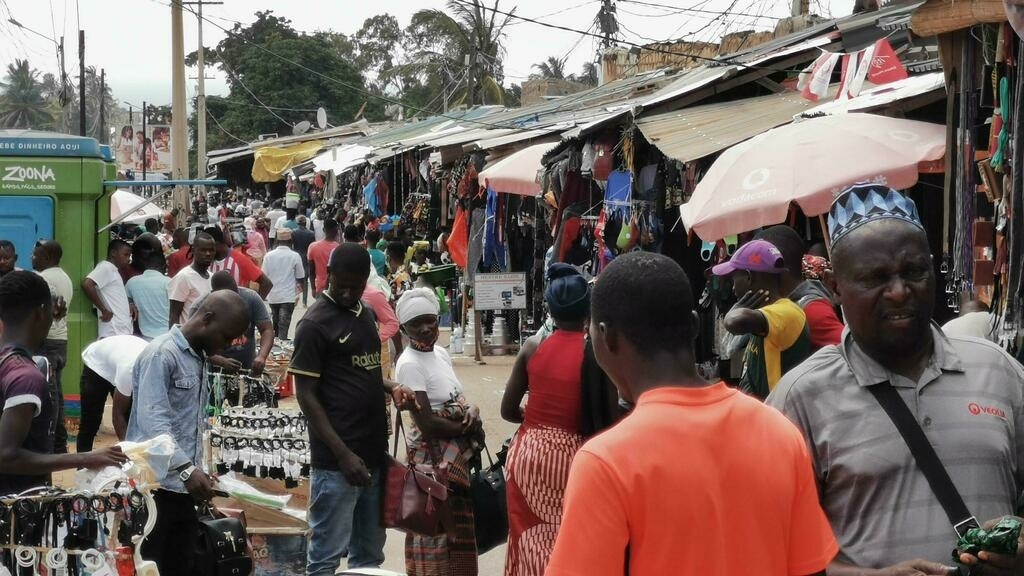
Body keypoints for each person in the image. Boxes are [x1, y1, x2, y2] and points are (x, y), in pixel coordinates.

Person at [768, 183, 1024, 573]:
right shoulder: (801, 398)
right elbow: (772, 549)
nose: (900, 291)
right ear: (836, 287)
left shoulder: (999, 371)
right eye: (875, 278)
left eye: (914, 271)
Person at [546, 252, 838, 576]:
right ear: (696, 326)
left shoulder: (605, 463)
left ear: (606, 336)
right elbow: (812, 569)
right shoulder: (780, 433)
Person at [289, 243, 413, 576]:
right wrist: (343, 455)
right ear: (327, 275)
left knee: (369, 556)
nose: (347, 292)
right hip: (336, 465)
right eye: (341, 284)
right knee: (326, 557)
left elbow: (366, 371)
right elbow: (306, 396)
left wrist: (392, 386)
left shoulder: (366, 315)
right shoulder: (314, 325)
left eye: (355, 287)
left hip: (373, 455)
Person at [500, 264, 620, 576]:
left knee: (528, 540)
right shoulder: (596, 353)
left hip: (529, 453)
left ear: (550, 311)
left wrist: (532, 417)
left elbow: (507, 410)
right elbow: (609, 416)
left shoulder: (532, 347)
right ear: (587, 310)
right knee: (569, 541)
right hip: (575, 456)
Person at [127, 290, 249, 575]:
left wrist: (200, 470)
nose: (229, 345)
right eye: (227, 336)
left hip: (183, 491)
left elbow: (189, 423)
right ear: (207, 319)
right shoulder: (162, 354)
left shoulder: (199, 357)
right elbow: (154, 423)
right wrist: (186, 469)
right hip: (154, 492)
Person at [0, 271, 128, 494]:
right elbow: (6, 456)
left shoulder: (8, 363)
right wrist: (85, 458)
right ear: (41, 313)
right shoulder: (26, 378)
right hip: (17, 509)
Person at [394, 288, 483, 576]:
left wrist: (472, 412)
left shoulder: (441, 354)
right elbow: (427, 423)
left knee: (456, 539)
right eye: (416, 324)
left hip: (451, 462)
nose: (425, 328)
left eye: (430, 320)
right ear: (405, 329)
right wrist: (464, 426)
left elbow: (457, 397)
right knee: (436, 537)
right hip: (433, 467)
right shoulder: (409, 364)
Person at [713, 239, 812, 400]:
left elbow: (733, 322)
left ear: (749, 277)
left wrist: (735, 310)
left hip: (778, 416)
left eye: (734, 280)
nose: (732, 288)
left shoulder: (786, 312)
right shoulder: (765, 315)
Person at [754, 225, 844, 349]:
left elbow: (849, 355)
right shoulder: (785, 306)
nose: (752, 280)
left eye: (754, 272)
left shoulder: (811, 311)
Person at [31, 239, 74, 454]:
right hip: (61, 341)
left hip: (45, 341)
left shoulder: (41, 279)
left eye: (36, 254)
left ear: (47, 257)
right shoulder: (64, 277)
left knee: (49, 395)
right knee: (57, 393)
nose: (32, 257)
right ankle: (60, 442)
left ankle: (53, 443)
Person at [193, 271, 274, 375]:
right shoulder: (201, 305)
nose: (234, 300)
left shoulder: (251, 298)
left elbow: (267, 329)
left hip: (247, 368)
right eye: (228, 297)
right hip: (213, 372)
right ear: (215, 293)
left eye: (235, 294)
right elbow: (193, 343)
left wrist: (262, 356)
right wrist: (219, 360)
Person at [77, 334, 149, 451]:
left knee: (131, 416)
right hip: (96, 364)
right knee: (90, 421)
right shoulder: (129, 371)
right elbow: (117, 415)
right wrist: (132, 453)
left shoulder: (158, 365)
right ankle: (82, 465)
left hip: (120, 355)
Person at [83, 239, 134, 337]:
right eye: (126, 255)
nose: (128, 259)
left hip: (120, 329)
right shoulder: (106, 267)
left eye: (129, 255)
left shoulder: (113, 270)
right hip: (114, 330)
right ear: (113, 253)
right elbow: (87, 284)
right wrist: (104, 310)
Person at [206, 225, 273, 299]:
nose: (206, 253)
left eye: (207, 249)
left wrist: (253, 306)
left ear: (216, 244)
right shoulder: (207, 261)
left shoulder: (239, 259)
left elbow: (266, 283)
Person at [262, 228, 305, 340]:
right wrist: (300, 291)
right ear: (291, 241)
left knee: (275, 323)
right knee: (284, 325)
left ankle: (274, 349)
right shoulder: (295, 256)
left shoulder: (268, 256)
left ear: (276, 240)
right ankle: (281, 348)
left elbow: (263, 276)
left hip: (273, 296)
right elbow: (300, 276)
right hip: (288, 296)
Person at [168, 232, 215, 326]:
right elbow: (174, 315)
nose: (208, 254)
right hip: (188, 337)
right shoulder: (184, 277)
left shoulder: (213, 277)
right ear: (193, 250)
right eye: (203, 250)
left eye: (211, 250)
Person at [126, 253, 171, 340]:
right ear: (164, 266)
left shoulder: (132, 282)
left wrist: (131, 303)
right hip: (167, 335)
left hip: (145, 336)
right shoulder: (169, 282)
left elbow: (125, 299)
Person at [307, 218, 341, 298]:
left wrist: (313, 288)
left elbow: (311, 271)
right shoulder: (339, 248)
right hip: (335, 288)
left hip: (320, 288)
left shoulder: (313, 247)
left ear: (323, 230)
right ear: (336, 231)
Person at [293, 216, 316, 306]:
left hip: (296, 256)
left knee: (295, 279)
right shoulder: (311, 233)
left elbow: (292, 245)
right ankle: (304, 302)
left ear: (298, 223)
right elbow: (312, 247)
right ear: (305, 223)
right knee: (305, 280)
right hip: (306, 257)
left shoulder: (293, 232)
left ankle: (295, 297)